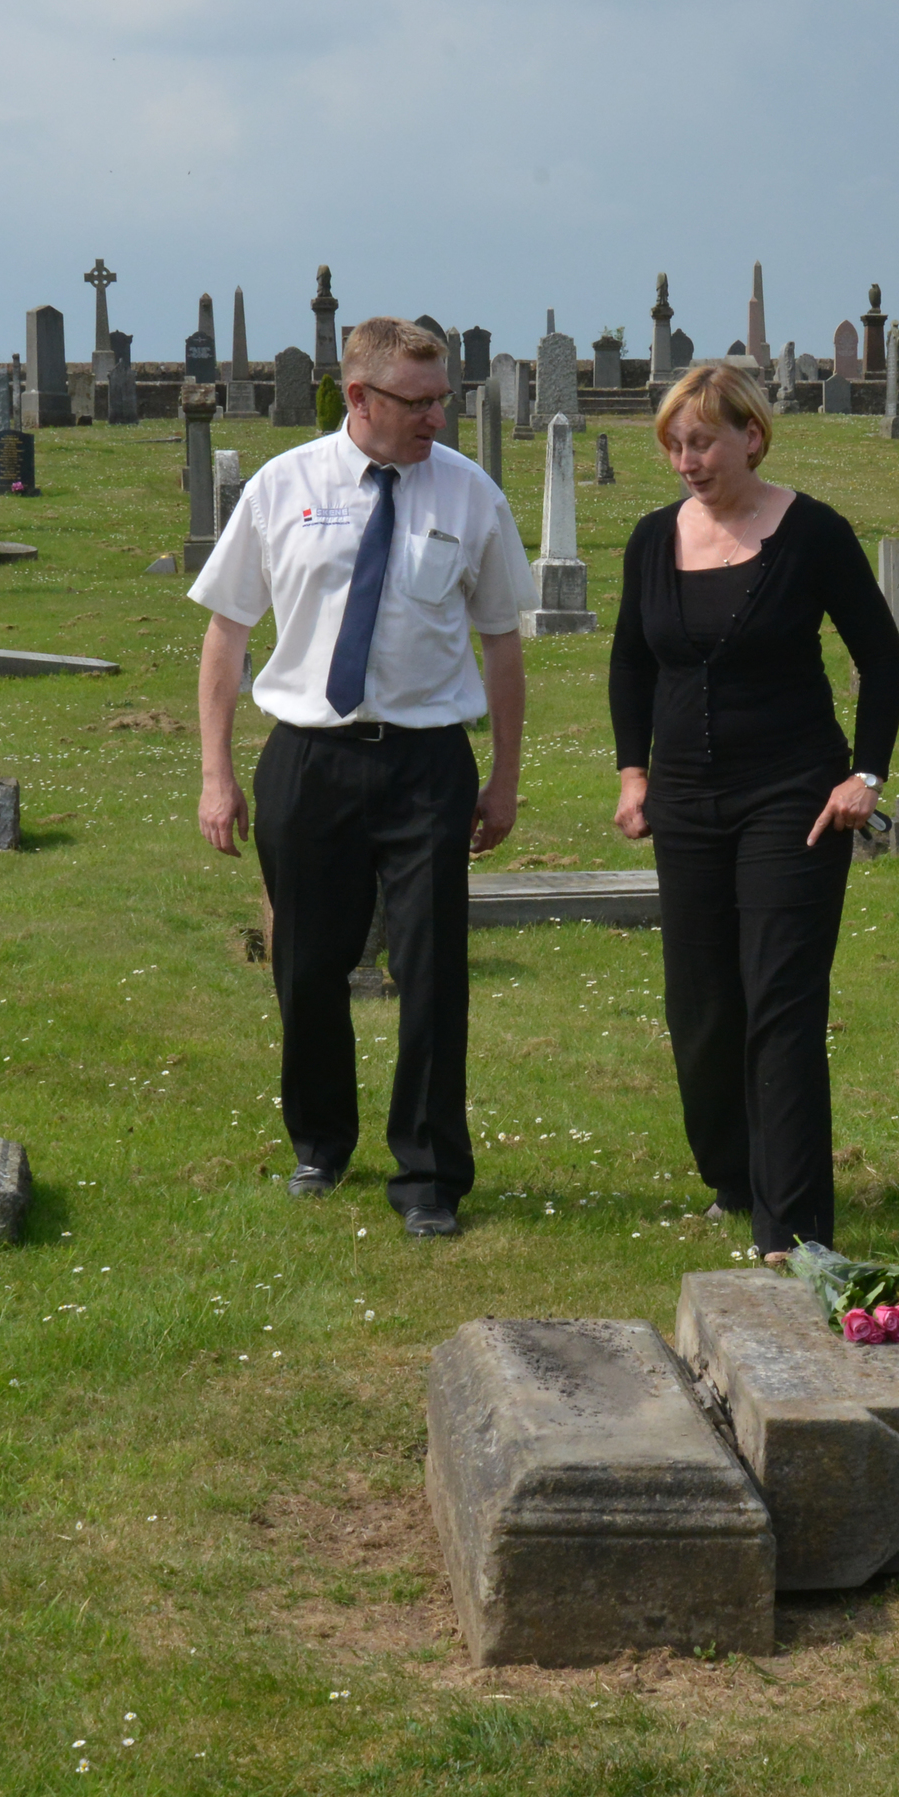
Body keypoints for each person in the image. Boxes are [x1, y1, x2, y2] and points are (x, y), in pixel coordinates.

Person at [192, 317, 532, 1237]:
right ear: (358, 398)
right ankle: (320, 1142)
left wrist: (502, 777)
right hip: (309, 757)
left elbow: (501, 641)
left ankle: (427, 1177)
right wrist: (216, 775)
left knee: (429, 972)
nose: (436, 420)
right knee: (307, 964)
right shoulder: (284, 486)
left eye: (443, 401)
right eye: (417, 404)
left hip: (426, 762)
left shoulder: (469, 497)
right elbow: (227, 632)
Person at [607, 362, 899, 1259]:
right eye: (673, 444)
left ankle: (793, 1223)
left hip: (793, 797)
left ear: (751, 436)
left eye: (701, 440)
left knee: (779, 999)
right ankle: (732, 1179)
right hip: (688, 803)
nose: (686, 460)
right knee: (699, 1008)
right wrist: (633, 775)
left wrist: (868, 777)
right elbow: (631, 662)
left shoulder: (812, 533)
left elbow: (881, 661)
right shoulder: (651, 539)